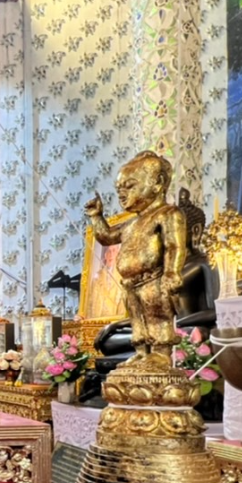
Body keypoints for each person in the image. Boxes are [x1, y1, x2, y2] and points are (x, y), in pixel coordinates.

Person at [84, 151, 187, 365]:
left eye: (129, 186)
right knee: (137, 321)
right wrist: (96, 217)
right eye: (119, 189)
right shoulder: (131, 224)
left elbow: (174, 245)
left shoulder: (167, 214)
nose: (122, 194)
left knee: (157, 316)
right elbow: (106, 237)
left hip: (154, 279)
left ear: (157, 183)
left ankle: (160, 353)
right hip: (131, 284)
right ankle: (141, 352)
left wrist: (171, 272)